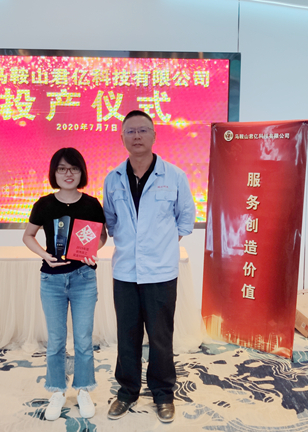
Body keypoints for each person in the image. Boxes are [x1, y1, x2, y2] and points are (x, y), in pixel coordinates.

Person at [103, 110, 195, 423]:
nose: (137, 136)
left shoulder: (175, 176)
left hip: (161, 272)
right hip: (125, 272)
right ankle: (127, 391)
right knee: (127, 336)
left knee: (160, 337)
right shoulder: (113, 178)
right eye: (130, 131)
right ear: (122, 138)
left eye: (143, 130)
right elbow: (110, 221)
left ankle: (163, 393)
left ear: (154, 135)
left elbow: (185, 218)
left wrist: (162, 243)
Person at [23, 147, 107, 421]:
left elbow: (102, 236)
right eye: (61, 168)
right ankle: (57, 390)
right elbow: (28, 236)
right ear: (54, 173)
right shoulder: (44, 204)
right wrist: (44, 255)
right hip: (52, 280)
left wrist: (93, 250)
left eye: (73, 168)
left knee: (83, 339)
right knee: (56, 341)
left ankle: (83, 389)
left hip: (84, 278)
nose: (68, 174)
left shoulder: (92, 204)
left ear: (82, 172)